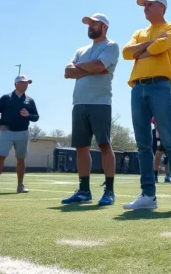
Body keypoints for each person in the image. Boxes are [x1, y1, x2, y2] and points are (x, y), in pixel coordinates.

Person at [121, 0, 171, 211]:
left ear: (162, 6)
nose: (145, 8)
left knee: (168, 139)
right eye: (144, 5)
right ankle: (148, 195)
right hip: (137, 87)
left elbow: (159, 48)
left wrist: (142, 50)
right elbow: (126, 53)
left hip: (160, 85)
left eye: (149, 4)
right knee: (142, 143)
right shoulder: (139, 32)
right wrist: (148, 47)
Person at [61, 13, 120, 206]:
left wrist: (87, 68)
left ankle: (109, 191)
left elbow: (99, 64)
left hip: (100, 103)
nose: (90, 27)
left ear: (104, 27)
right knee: (81, 148)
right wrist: (90, 68)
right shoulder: (81, 50)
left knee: (104, 145)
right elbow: (68, 72)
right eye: (89, 24)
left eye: (94, 24)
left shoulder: (111, 46)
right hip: (79, 103)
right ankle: (84, 190)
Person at [0, 75, 40, 195]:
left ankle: (20, 185)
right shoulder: (5, 98)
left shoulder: (30, 100)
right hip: (6, 132)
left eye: (27, 83)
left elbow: (36, 117)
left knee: (21, 159)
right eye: (23, 82)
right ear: (16, 84)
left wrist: (28, 115)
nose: (26, 85)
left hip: (23, 133)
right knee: (0, 157)